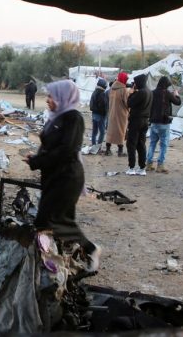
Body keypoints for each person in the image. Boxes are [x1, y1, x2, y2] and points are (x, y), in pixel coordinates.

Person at [26, 80, 101, 271]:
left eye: (51, 96)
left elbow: (66, 150)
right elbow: (51, 147)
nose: (47, 100)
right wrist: (35, 158)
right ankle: (54, 259)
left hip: (66, 178)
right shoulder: (56, 117)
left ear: (62, 97)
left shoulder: (73, 118)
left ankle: (90, 250)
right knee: (56, 220)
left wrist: (37, 162)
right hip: (54, 177)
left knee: (52, 220)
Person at [146, 76, 181, 173]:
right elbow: (178, 102)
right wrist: (177, 94)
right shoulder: (168, 93)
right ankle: (160, 165)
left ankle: (148, 164)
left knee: (152, 143)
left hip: (153, 122)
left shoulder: (153, 92)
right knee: (163, 145)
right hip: (164, 122)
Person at [125, 73, 152, 175]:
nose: (134, 84)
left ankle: (131, 167)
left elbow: (129, 103)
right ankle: (142, 168)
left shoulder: (140, 92)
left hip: (136, 121)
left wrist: (131, 93)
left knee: (131, 144)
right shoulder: (149, 92)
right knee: (141, 144)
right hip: (145, 121)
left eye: (135, 83)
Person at [104, 72, 129, 156]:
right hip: (121, 115)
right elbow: (127, 103)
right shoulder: (123, 90)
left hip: (111, 113)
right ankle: (120, 151)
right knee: (121, 132)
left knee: (110, 131)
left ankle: (107, 150)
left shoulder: (112, 88)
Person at [89, 78, 108, 147]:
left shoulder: (94, 92)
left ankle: (94, 144)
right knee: (102, 132)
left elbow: (91, 105)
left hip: (94, 114)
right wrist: (106, 113)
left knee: (94, 131)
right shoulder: (102, 94)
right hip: (101, 115)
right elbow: (103, 106)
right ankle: (98, 146)